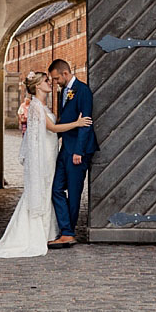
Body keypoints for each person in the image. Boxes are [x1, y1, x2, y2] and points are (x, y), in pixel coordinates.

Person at [0, 71, 91, 258]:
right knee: (40, 191)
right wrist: (78, 123)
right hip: (43, 158)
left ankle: (50, 231)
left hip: (50, 155)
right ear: (37, 86)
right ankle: (34, 233)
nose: (50, 83)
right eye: (46, 81)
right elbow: (53, 128)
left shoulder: (43, 105)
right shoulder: (35, 107)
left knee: (49, 190)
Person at [46, 59, 98, 249]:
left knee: (74, 193)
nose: (55, 82)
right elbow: (65, 120)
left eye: (56, 78)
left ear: (65, 73)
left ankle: (68, 233)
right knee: (56, 189)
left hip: (78, 150)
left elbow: (85, 122)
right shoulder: (63, 92)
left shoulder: (83, 91)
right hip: (65, 148)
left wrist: (79, 151)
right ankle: (66, 228)